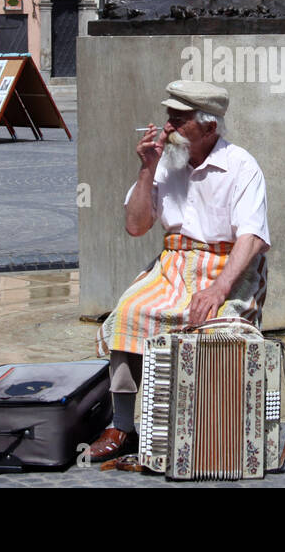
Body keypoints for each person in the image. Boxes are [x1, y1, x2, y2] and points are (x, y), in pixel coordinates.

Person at [88, 80, 270, 462]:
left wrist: (219, 289)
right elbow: (136, 226)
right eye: (168, 117)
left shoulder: (241, 165)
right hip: (174, 263)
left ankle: (216, 426)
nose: (167, 127)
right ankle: (122, 425)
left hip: (227, 266)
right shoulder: (164, 163)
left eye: (179, 120)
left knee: (221, 328)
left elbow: (251, 239)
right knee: (129, 313)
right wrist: (145, 170)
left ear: (209, 128)